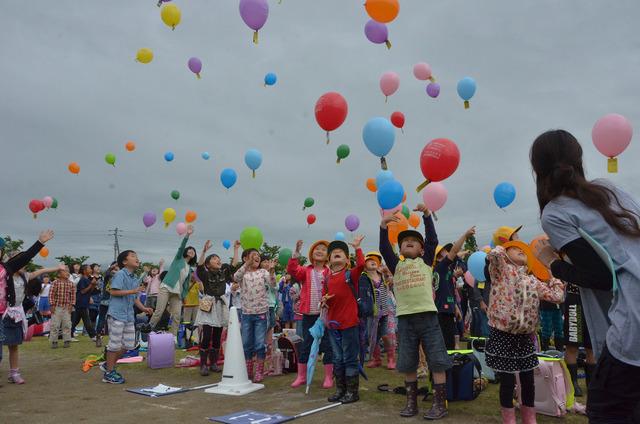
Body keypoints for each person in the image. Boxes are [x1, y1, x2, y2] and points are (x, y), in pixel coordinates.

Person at [530, 129, 637, 422]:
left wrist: (551, 260)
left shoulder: (555, 213)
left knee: (607, 413)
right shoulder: (609, 191)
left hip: (631, 328)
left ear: (538, 170)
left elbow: (600, 276)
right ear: (578, 160)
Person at [379, 205, 455, 420]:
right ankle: (411, 403)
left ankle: (440, 404)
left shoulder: (426, 262)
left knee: (438, 360)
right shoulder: (396, 266)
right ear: (400, 249)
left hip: (429, 318)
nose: (408, 242)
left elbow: (432, 240)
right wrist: (383, 228)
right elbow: (385, 249)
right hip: (405, 320)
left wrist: (427, 216)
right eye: (404, 242)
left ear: (422, 250)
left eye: (414, 241)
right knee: (408, 362)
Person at [486, 241, 565, 424]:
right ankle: (509, 418)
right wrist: (504, 246)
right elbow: (494, 256)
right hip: (502, 333)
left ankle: (530, 417)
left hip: (524, 336)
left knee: (528, 379)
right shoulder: (500, 271)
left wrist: (552, 275)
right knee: (507, 380)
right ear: (506, 254)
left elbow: (557, 297)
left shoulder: (533, 281)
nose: (521, 250)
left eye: (523, 250)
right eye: (515, 249)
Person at [0, 230, 55, 385]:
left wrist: (40, 243)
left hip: (12, 313)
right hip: (5, 314)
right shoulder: (7, 273)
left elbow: (30, 260)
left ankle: (14, 372)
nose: (21, 263)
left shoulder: (13, 272)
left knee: (13, 345)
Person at [323, 236, 365, 404]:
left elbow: (361, 265)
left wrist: (357, 248)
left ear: (348, 260)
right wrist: (323, 300)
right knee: (337, 358)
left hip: (349, 324)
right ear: (329, 261)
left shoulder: (351, 274)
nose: (337, 253)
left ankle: (352, 392)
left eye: (341, 252)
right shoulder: (327, 279)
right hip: (333, 325)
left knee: (349, 357)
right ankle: (340, 390)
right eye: (334, 253)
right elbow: (324, 297)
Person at [286, 239, 333, 389]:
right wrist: (296, 253)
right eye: (316, 249)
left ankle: (328, 377)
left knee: (327, 345)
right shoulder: (306, 270)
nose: (319, 251)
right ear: (312, 254)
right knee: (306, 345)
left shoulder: (329, 272)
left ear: (328, 256)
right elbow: (292, 270)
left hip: (325, 315)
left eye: (323, 249)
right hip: (308, 314)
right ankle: (301, 376)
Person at [103, 250, 153, 384]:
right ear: (125, 262)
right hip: (117, 314)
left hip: (129, 316)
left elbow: (134, 298)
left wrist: (143, 308)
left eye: (137, 256)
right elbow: (113, 291)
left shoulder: (133, 278)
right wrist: (133, 291)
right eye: (133, 256)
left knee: (129, 345)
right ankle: (109, 372)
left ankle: (108, 363)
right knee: (114, 345)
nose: (136, 258)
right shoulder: (120, 274)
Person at [145, 225, 197, 337]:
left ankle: (172, 337)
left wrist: (183, 296)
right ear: (186, 252)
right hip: (167, 287)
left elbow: (186, 284)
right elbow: (181, 247)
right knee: (159, 311)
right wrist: (187, 235)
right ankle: (149, 327)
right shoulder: (178, 259)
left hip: (177, 292)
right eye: (190, 250)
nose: (191, 251)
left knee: (177, 315)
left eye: (193, 251)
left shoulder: (189, 268)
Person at [234, 248, 276, 383]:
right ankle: (248, 370)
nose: (257, 257)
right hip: (246, 313)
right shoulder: (243, 273)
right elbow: (235, 277)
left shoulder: (263, 272)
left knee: (259, 344)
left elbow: (273, 284)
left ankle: (259, 371)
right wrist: (246, 264)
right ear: (245, 259)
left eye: (258, 256)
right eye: (253, 255)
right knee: (246, 344)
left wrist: (272, 271)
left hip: (261, 314)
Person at [433, 234, 474, 351]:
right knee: (447, 344)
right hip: (443, 310)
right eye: (446, 251)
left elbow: (448, 290)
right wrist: (465, 235)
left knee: (449, 340)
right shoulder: (441, 267)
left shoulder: (445, 269)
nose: (449, 252)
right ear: (440, 255)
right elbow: (455, 251)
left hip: (448, 308)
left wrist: (455, 306)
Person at [195, 240, 230, 377]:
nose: (218, 260)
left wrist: (235, 249)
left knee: (217, 335)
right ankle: (203, 364)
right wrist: (204, 251)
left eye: (219, 259)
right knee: (207, 334)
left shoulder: (223, 273)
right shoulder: (205, 274)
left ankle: (213, 363)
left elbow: (233, 266)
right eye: (214, 259)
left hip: (220, 304)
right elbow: (199, 266)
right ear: (208, 264)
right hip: (207, 302)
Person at [363, 252, 395, 370]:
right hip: (372, 313)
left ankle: (391, 358)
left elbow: (390, 278)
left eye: (375, 260)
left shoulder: (382, 276)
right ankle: (376, 359)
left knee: (385, 335)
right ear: (365, 265)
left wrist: (386, 272)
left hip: (384, 312)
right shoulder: (364, 278)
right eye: (369, 260)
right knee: (373, 336)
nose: (373, 261)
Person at [562, 283, 594, 397]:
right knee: (572, 344)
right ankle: (573, 383)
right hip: (575, 296)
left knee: (592, 345)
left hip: (594, 297)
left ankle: (591, 383)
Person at [49, 265, 75, 348]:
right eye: (65, 271)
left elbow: (73, 295)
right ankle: (54, 341)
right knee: (55, 324)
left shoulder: (71, 284)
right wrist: (52, 304)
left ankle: (67, 340)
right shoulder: (55, 283)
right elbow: (51, 294)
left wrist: (71, 304)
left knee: (67, 324)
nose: (67, 273)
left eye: (68, 271)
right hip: (57, 307)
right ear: (59, 274)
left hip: (67, 307)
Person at [71, 264, 97, 340]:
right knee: (86, 320)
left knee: (75, 321)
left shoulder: (87, 279)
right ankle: (93, 336)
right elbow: (83, 291)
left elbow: (89, 291)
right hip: (80, 302)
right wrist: (91, 284)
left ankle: (69, 335)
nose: (91, 270)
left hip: (84, 302)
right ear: (84, 271)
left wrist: (93, 285)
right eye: (89, 269)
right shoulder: (83, 279)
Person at [96, 262, 118, 348]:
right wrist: (111, 268)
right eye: (114, 269)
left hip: (115, 301)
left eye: (117, 268)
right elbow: (107, 273)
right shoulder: (108, 276)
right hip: (105, 300)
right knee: (102, 318)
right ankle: (98, 336)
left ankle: (114, 338)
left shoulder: (120, 276)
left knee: (114, 319)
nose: (115, 270)